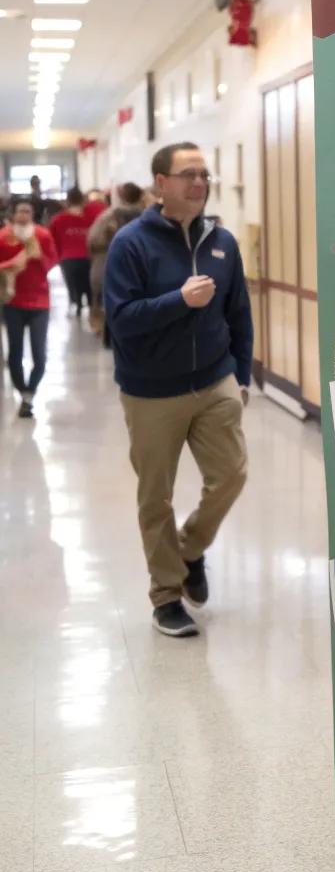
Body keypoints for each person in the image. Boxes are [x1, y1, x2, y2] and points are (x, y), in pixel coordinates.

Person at [104, 142, 252, 639]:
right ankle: (166, 595)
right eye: (188, 174)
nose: (199, 183)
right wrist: (178, 301)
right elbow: (121, 321)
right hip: (151, 393)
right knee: (155, 497)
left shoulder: (223, 242)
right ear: (160, 183)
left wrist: (243, 376)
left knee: (231, 475)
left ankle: (188, 551)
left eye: (204, 174)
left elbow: (238, 313)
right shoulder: (131, 243)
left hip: (215, 381)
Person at [0, 198, 58, 418]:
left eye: (28, 211)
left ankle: (29, 393)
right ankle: (22, 391)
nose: (24, 215)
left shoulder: (42, 235)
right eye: (20, 211)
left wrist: (38, 255)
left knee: (39, 355)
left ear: (33, 214)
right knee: (14, 353)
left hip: (39, 302)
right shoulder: (4, 236)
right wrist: (12, 263)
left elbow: (52, 262)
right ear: (13, 214)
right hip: (12, 301)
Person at [88, 183, 147, 340]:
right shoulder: (148, 215)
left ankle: (102, 329)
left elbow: (93, 240)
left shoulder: (109, 216)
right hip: (138, 266)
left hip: (105, 261)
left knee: (102, 297)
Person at [49, 186, 93, 317]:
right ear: (83, 200)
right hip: (88, 257)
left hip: (67, 258)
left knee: (73, 284)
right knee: (87, 283)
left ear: (67, 200)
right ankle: (90, 305)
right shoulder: (91, 218)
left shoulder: (58, 219)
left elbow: (53, 240)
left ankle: (76, 303)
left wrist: (56, 258)